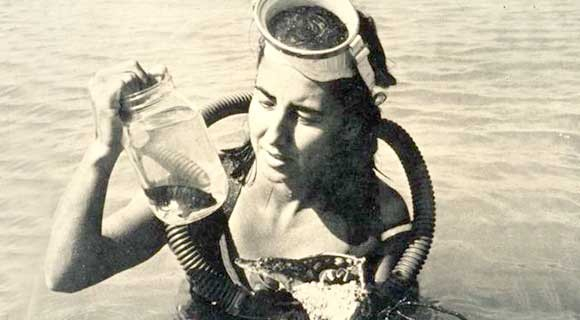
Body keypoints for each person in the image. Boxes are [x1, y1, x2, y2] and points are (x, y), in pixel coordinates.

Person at [45, 1, 415, 319]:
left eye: (304, 115)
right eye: (266, 101)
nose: (273, 133)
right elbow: (69, 273)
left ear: (350, 126)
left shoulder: (377, 221)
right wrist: (102, 150)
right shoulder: (207, 184)